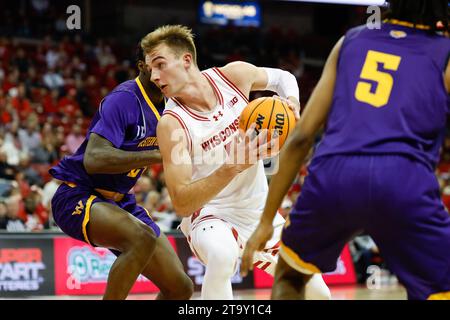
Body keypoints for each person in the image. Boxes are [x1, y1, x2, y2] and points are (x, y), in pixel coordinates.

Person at [241, 0, 450, 300]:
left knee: (289, 277)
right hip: (404, 179)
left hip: (335, 172)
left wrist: (265, 221)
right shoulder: (444, 50)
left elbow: (301, 137)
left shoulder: (351, 40)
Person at [141, 25, 331, 300]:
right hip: (210, 216)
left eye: (159, 64)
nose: (154, 76)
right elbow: (182, 203)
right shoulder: (172, 125)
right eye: (150, 70)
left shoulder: (233, 76)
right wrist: (232, 167)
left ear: (186, 60)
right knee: (222, 255)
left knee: (319, 294)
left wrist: (291, 103)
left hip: (258, 214)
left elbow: (283, 78)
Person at [48, 42, 193, 300]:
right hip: (78, 194)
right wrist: (162, 154)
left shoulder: (171, 106)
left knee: (181, 288)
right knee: (142, 238)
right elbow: (94, 159)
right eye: (157, 66)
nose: (164, 72)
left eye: (167, 65)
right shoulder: (125, 98)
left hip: (121, 201)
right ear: (142, 67)